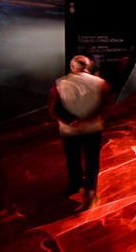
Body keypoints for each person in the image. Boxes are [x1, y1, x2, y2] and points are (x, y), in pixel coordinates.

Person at [48, 55, 110, 209]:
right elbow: (105, 104)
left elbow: (53, 109)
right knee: (92, 159)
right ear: (87, 67)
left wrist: (70, 120)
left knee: (72, 158)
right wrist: (87, 118)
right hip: (93, 128)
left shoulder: (60, 83)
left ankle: (75, 184)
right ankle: (89, 190)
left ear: (72, 67)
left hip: (69, 129)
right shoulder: (100, 83)